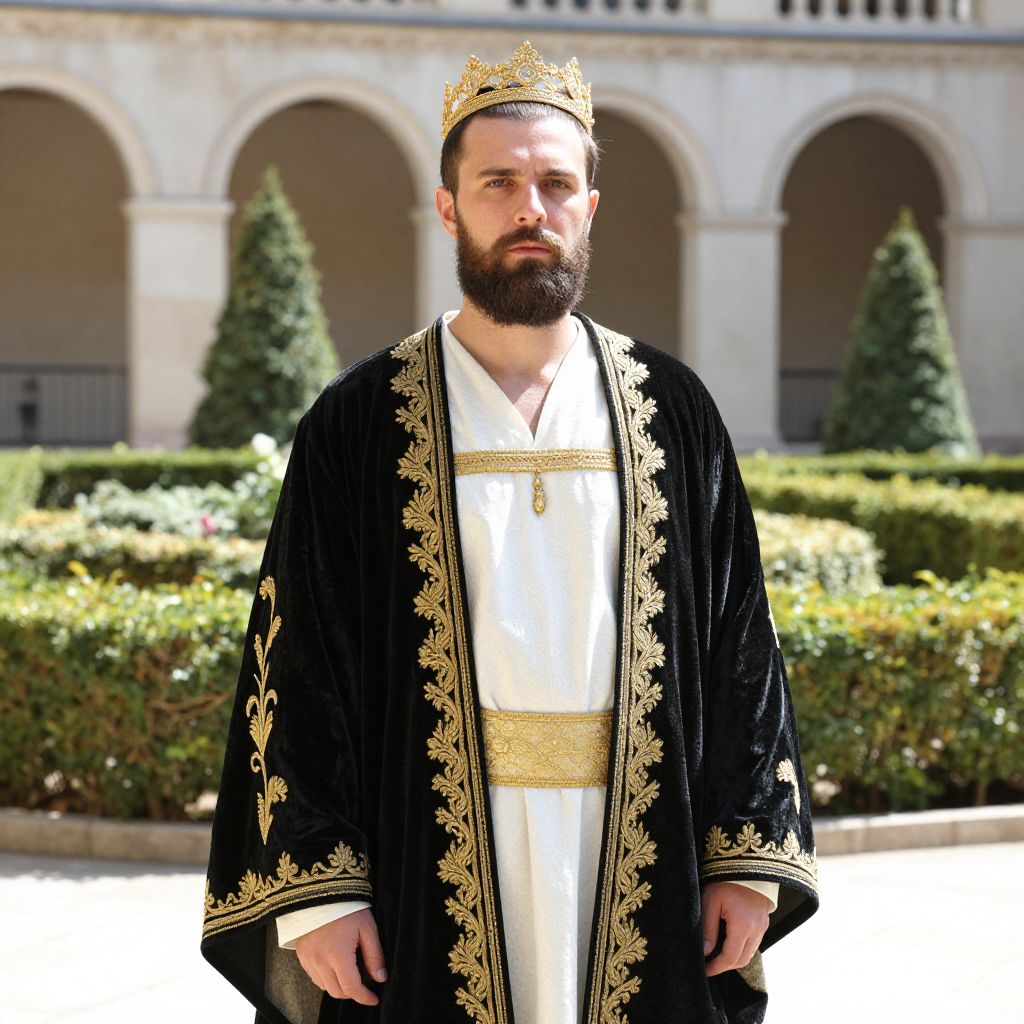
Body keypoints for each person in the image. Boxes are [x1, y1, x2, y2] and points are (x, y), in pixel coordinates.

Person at [201, 40, 819, 1024]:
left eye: (554, 183)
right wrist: (321, 885)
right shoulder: (358, 423)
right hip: (420, 858)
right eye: (499, 183)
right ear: (448, 206)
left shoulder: (672, 410)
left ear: (589, 207)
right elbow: (297, 661)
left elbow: (739, 644)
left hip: (641, 853)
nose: (530, 208)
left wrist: (745, 857)